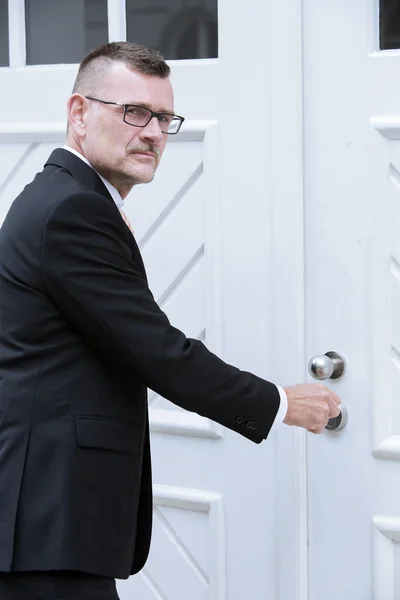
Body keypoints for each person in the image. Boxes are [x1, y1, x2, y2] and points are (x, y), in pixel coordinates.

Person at [0, 42, 341, 600]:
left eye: (164, 117)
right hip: (46, 519)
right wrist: (281, 402)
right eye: (133, 112)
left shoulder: (69, 200)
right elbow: (156, 350)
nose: (154, 132)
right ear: (79, 113)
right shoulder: (71, 210)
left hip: (47, 518)